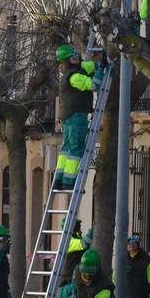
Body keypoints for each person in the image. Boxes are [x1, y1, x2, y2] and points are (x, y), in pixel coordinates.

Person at [54, 44, 103, 191]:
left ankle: (58, 179)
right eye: (72, 56)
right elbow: (93, 85)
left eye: (76, 55)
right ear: (66, 60)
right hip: (76, 116)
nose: (76, 57)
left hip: (68, 116)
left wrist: (98, 64)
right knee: (76, 149)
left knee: (66, 149)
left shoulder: (73, 71)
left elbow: (87, 66)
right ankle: (69, 181)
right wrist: (100, 71)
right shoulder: (74, 76)